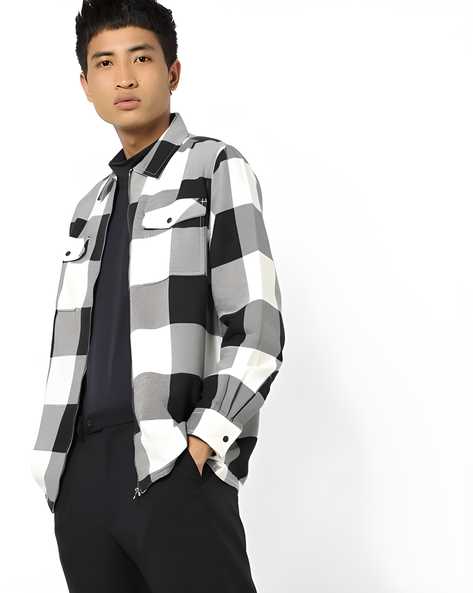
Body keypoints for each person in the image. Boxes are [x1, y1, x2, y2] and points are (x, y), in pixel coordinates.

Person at [30, 2, 285, 592]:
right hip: (82, 475)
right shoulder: (89, 207)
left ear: (172, 71)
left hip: (170, 460)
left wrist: (203, 442)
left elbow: (258, 325)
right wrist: (62, 479)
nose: (124, 78)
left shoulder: (213, 166)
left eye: (140, 58)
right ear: (86, 84)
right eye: (105, 63)